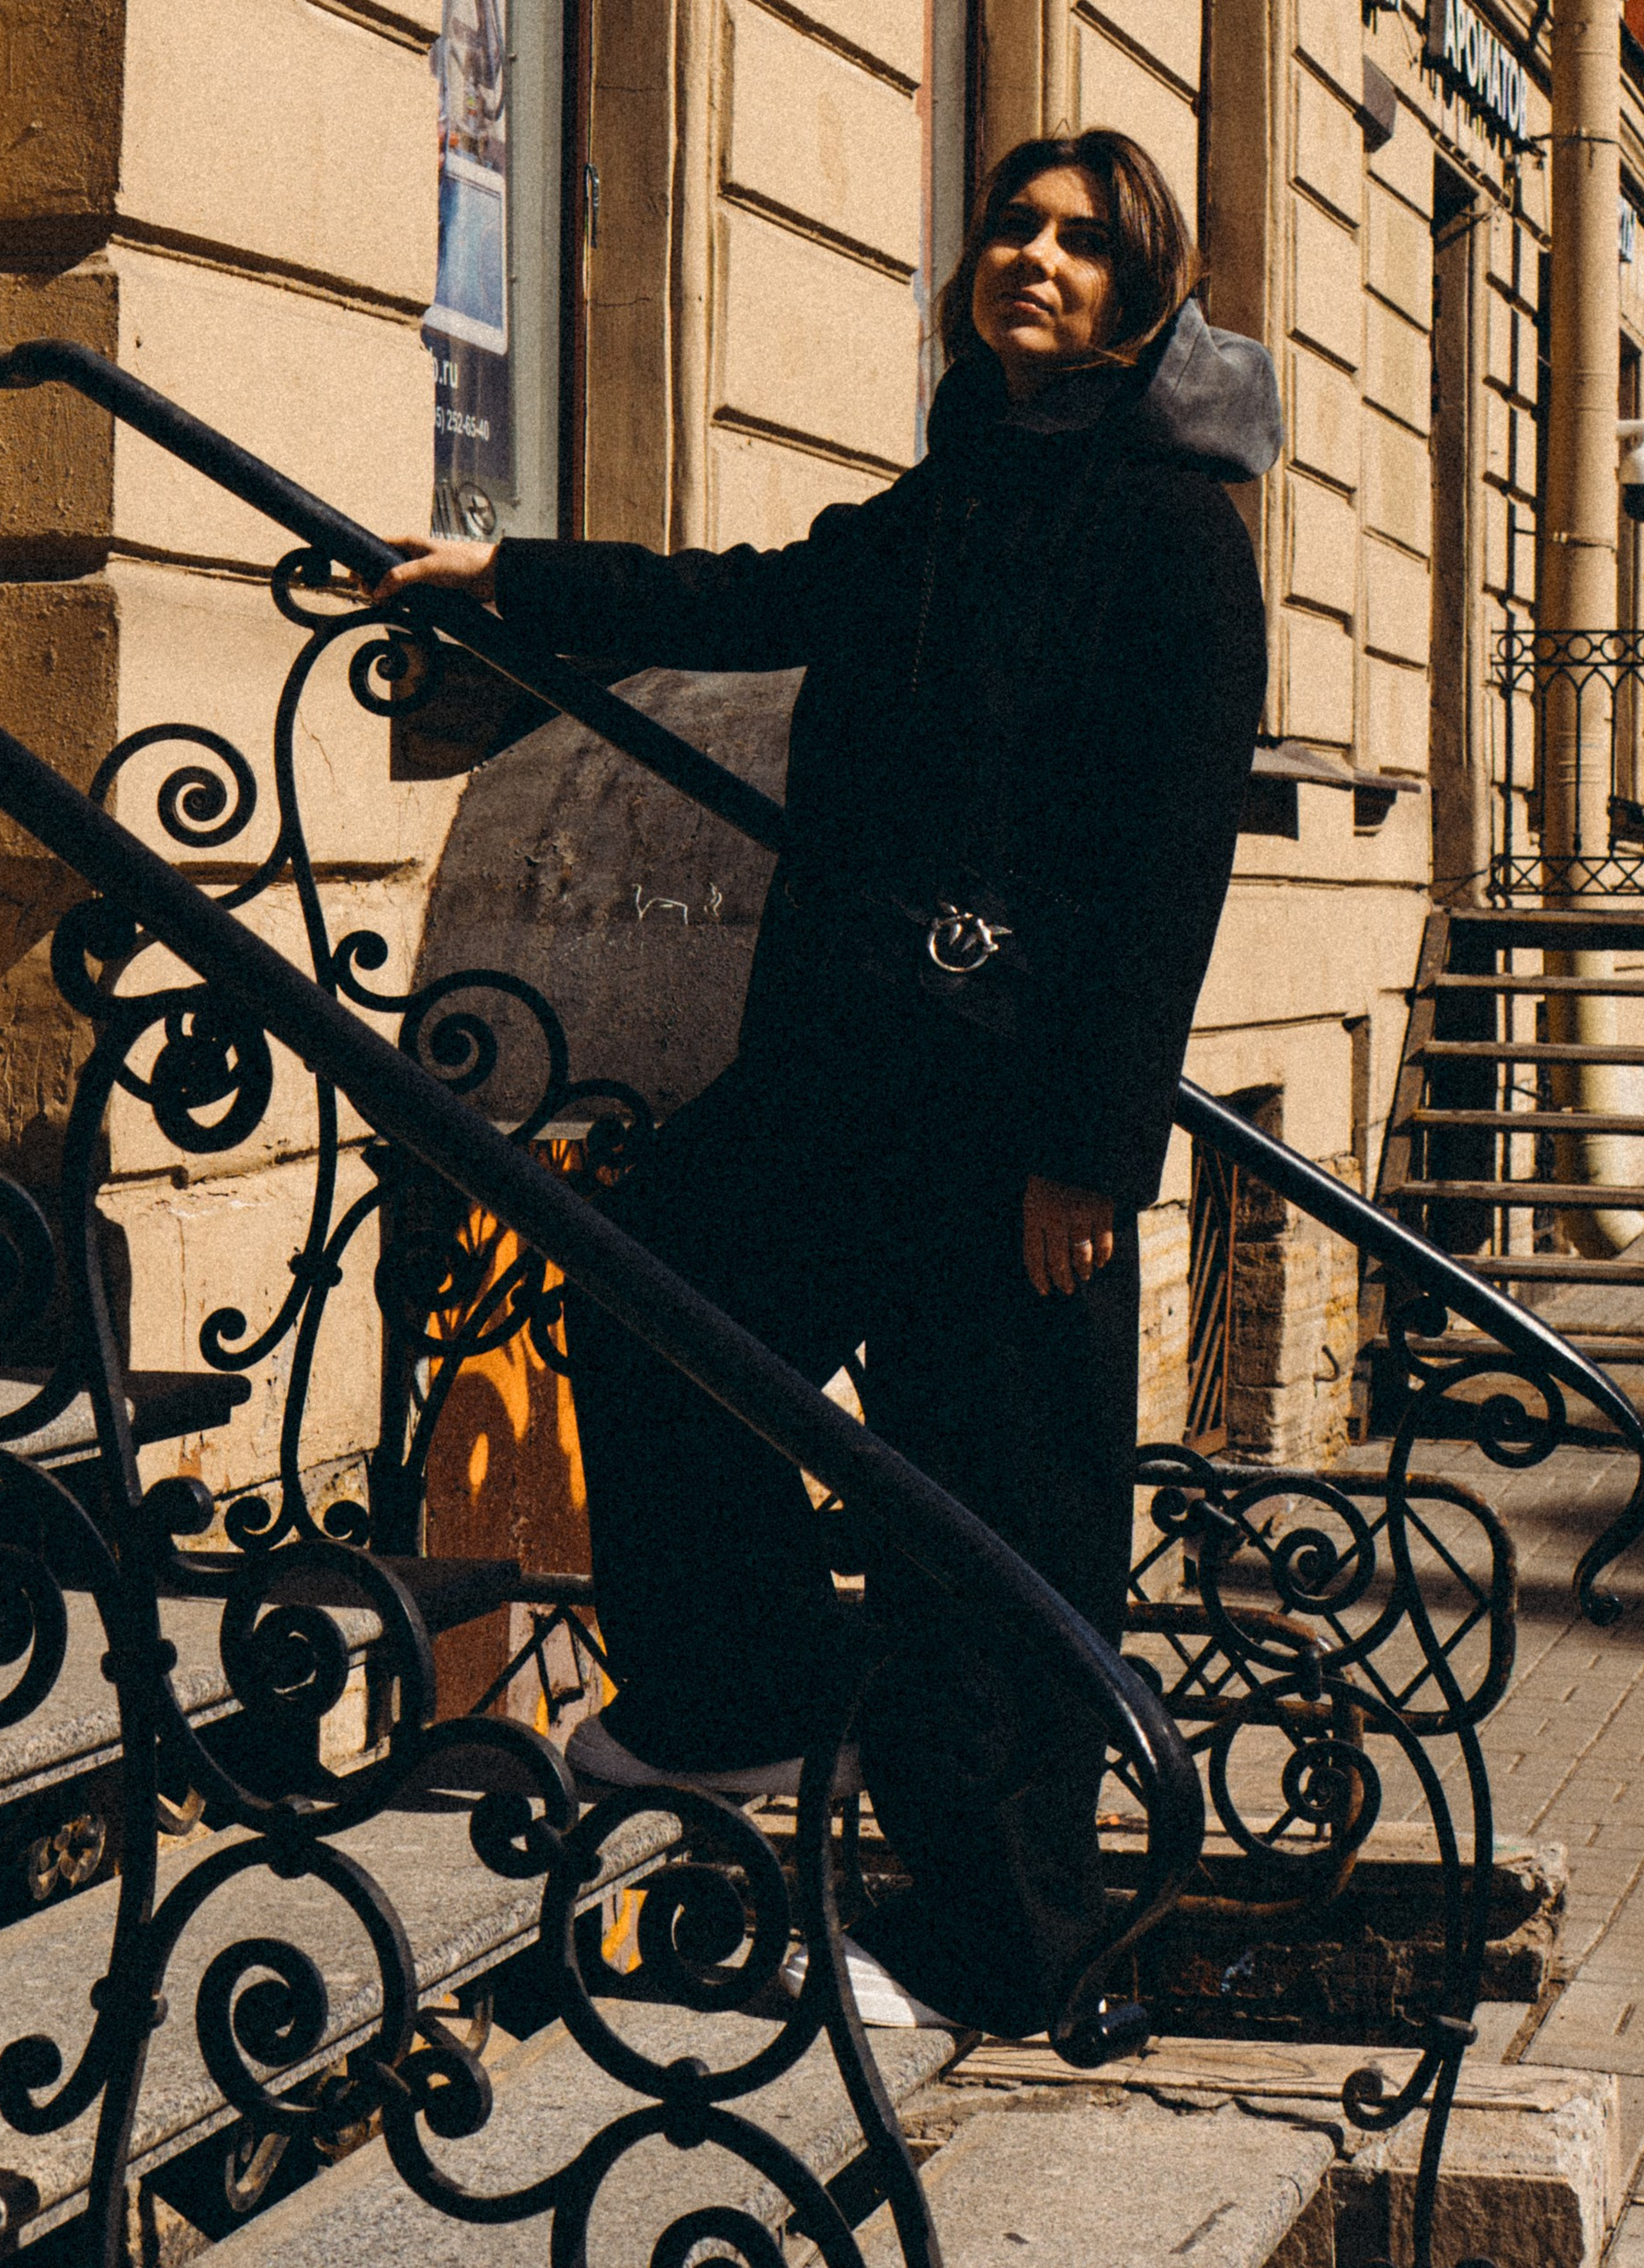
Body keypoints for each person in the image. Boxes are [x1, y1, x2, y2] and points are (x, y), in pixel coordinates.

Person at [376, 130, 1275, 2035]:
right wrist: (509, 573)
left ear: (1140, 295)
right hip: (834, 1078)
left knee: (995, 1521)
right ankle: (739, 1703)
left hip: (1013, 1132)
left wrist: (1092, 1156)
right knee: (651, 1305)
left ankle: (1020, 1950)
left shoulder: (1178, 537)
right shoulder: (943, 502)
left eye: (1079, 243)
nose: (1031, 258)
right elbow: (739, 599)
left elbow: (1163, 869)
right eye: (1010, 228)